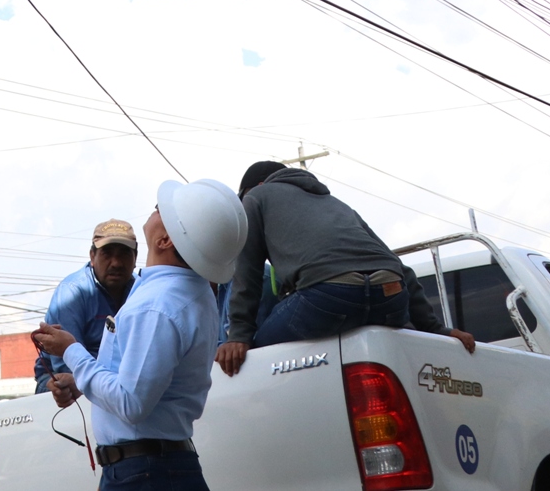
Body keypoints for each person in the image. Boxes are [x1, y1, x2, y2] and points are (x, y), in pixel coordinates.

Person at [33, 180, 247, 491]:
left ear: (164, 240)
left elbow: (131, 402)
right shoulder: (187, 293)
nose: (155, 210)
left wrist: (71, 351)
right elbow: (139, 383)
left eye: (161, 210)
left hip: (144, 473)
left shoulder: (157, 305)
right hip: (158, 468)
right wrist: (83, 380)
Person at [216, 161, 475, 378]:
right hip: (390, 296)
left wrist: (239, 337)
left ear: (258, 186)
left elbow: (247, 274)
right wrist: (436, 329)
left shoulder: (256, 198)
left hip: (328, 298)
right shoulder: (336, 204)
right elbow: (399, 268)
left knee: (261, 357)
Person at [34, 218, 139, 398]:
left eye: (124, 254)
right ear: (92, 257)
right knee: (66, 386)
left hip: (118, 381)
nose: (116, 263)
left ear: (135, 258)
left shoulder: (142, 291)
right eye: (107, 253)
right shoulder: (72, 293)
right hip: (67, 377)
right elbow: (68, 365)